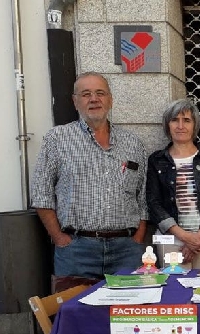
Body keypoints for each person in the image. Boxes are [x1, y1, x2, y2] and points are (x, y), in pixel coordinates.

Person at [31, 71, 147, 279]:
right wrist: (59, 238)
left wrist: (138, 237)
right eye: (86, 94)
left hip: (127, 250)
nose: (94, 99)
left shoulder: (133, 143)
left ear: (110, 100)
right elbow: (41, 193)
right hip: (76, 251)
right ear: (75, 102)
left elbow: (144, 194)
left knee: (129, 310)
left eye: (100, 93)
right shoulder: (57, 139)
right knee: (77, 309)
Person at [146, 99, 200, 269]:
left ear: (195, 125)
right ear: (167, 125)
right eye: (175, 120)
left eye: (187, 120)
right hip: (169, 239)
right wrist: (184, 237)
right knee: (174, 290)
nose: (180, 125)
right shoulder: (157, 160)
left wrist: (199, 237)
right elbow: (153, 203)